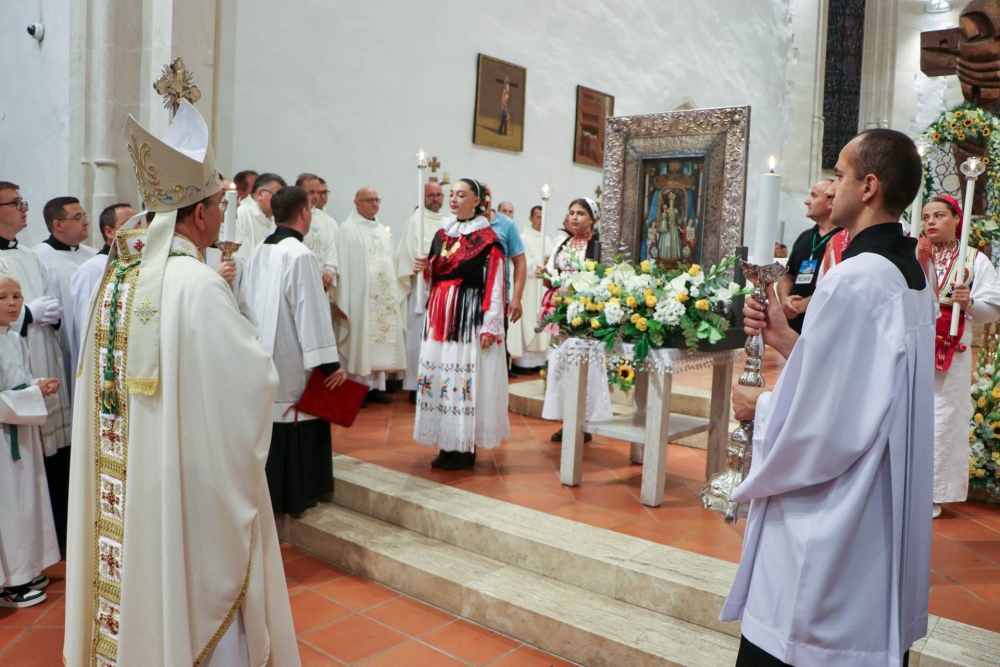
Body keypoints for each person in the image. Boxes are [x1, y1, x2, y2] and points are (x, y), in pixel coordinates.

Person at [63, 101, 299, 667]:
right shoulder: (195, 284)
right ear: (197, 216)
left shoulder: (116, 279)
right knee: (188, 573)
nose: (224, 216)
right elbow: (250, 385)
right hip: (184, 481)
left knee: (136, 567)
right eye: (220, 205)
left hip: (128, 476)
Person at [723, 129, 934, 667]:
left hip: (833, 509)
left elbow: (826, 426)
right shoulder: (908, 275)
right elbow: (858, 384)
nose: (831, 185)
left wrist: (759, 408)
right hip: (880, 504)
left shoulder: (855, 279)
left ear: (867, 186)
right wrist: (785, 338)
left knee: (803, 631)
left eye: (838, 174)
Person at [245, 186, 344, 516]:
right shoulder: (300, 255)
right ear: (305, 213)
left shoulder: (259, 250)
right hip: (291, 355)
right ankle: (298, 495)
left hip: (262, 353)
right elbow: (311, 313)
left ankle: (273, 495)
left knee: (276, 424)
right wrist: (329, 365)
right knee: (298, 417)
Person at [412, 178, 510, 470]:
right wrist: (425, 269)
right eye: (451, 194)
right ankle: (446, 443)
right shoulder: (443, 234)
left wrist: (490, 325)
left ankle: (464, 448)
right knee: (441, 376)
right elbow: (437, 273)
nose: (453, 199)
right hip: (441, 314)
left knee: (461, 378)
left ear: (477, 202)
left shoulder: (488, 239)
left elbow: (494, 282)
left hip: (467, 317)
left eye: (461, 195)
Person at [0, 181, 71, 551]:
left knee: (54, 459)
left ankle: (53, 538)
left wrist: (54, 315)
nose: (25, 208)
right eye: (15, 203)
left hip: (41, 355)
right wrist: (27, 312)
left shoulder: (30, 255)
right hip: (10, 371)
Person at [920, 194, 1000, 517]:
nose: (930, 222)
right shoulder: (915, 254)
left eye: (939, 215)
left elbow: (990, 307)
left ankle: (934, 493)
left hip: (951, 354)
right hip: (914, 347)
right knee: (910, 415)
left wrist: (967, 303)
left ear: (957, 220)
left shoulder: (973, 260)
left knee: (942, 419)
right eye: (926, 216)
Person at [0, 270, 61, 609]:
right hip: (3, 440)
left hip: (19, 434)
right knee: (8, 508)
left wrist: (39, 386)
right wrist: (32, 393)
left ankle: (24, 569)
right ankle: (10, 584)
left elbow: (18, 383)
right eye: (3, 297)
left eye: (17, 296)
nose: (12, 303)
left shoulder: (12, 337)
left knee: (26, 504)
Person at [540, 198, 609, 443]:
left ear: (592, 218)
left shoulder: (599, 245)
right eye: (571, 213)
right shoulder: (563, 242)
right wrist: (545, 277)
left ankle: (586, 422)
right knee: (562, 365)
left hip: (585, 312)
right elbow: (552, 278)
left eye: (581, 213)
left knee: (585, 368)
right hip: (562, 310)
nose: (575, 217)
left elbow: (601, 278)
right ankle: (566, 419)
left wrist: (573, 288)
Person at [333, 187, 405, 404]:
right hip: (359, 299)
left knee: (377, 339)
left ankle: (374, 387)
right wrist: (342, 299)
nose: (375, 204)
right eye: (370, 200)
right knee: (360, 340)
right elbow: (342, 265)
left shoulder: (382, 230)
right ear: (357, 203)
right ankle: (356, 390)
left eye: (377, 200)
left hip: (382, 298)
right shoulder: (347, 229)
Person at [69, 202, 136, 389]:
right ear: (110, 232)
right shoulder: (93, 269)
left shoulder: (134, 267)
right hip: (103, 369)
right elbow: (87, 324)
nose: (139, 229)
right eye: (130, 223)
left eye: (140, 223)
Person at [33, 196, 98, 391]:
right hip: (60, 343)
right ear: (58, 225)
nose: (85, 222)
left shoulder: (94, 256)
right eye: (78, 217)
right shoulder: (38, 257)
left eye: (84, 215)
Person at [397, 181, 449, 404]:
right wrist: (421, 264)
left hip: (443, 287)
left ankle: (438, 382)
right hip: (422, 288)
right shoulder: (414, 221)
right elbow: (407, 252)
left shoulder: (449, 222)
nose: (435, 199)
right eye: (430, 195)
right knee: (418, 336)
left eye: (439, 195)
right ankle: (414, 386)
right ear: (423, 197)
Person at [776, 179, 839, 332]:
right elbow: (787, 276)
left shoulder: (843, 239)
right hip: (795, 326)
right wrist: (785, 300)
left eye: (814, 196)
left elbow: (839, 288)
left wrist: (807, 303)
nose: (806, 201)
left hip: (824, 326)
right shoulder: (805, 237)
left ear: (831, 200)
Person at [483, 191, 526, 379]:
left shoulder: (506, 224)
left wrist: (516, 298)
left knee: (495, 349)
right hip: (469, 296)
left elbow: (520, 261)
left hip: (498, 297)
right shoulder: (463, 223)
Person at [509, 204, 553, 373]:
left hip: (542, 288)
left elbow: (552, 263)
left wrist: (548, 263)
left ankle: (540, 361)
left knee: (541, 321)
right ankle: (525, 363)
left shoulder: (547, 239)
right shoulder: (523, 237)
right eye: (538, 217)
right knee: (527, 321)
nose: (541, 221)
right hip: (528, 287)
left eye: (543, 217)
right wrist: (536, 264)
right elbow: (521, 264)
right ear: (530, 218)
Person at [296, 173, 339, 294]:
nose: (316, 197)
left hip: (322, 283)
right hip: (300, 280)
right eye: (311, 192)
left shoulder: (323, 219)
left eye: (318, 193)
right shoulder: (292, 216)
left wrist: (328, 272)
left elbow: (331, 249)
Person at [235, 172, 286, 260]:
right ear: (260, 194)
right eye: (277, 196)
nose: (280, 201)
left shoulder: (274, 220)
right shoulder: (241, 213)